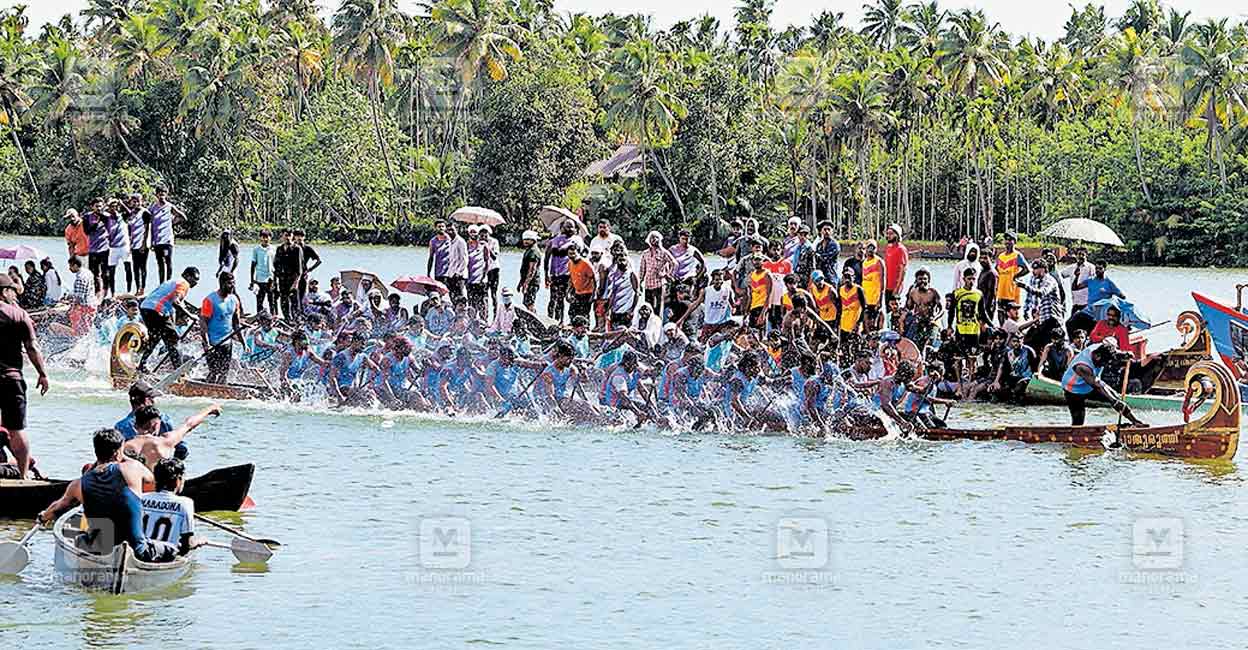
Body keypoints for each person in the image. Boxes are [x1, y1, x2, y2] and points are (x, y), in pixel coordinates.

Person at [38, 428, 180, 563]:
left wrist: (43, 517)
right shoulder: (133, 468)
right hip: (137, 550)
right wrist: (125, 458)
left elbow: (58, 507)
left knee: (80, 538)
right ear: (118, 452)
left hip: (98, 549)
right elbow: (152, 481)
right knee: (174, 549)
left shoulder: (78, 485)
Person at [0, 274, 49, 479]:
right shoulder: (19, 314)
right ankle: (22, 476)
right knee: (16, 430)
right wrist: (43, 374)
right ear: (4, 291)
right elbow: (32, 347)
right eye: (11, 289)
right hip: (11, 379)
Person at [1061, 340, 1145, 427]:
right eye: (1103, 363)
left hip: (1093, 381)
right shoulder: (1082, 367)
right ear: (1097, 356)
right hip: (1073, 389)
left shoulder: (1102, 348)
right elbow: (1097, 386)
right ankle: (1076, 434)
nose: (1104, 366)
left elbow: (1114, 352)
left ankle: (1136, 422)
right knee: (1078, 421)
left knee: (1116, 397)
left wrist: (1125, 354)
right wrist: (1113, 401)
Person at [137, 266, 200, 372]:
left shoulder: (172, 282)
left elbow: (173, 308)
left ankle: (142, 365)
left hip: (145, 308)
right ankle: (179, 371)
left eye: (197, 280)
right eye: (194, 279)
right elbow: (176, 302)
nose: (195, 283)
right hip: (156, 310)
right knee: (173, 339)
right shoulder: (184, 283)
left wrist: (173, 325)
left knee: (155, 337)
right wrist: (190, 316)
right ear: (186, 276)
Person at [139, 458, 204, 554]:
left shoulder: (140, 498)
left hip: (141, 550)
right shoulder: (186, 503)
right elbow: (187, 545)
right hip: (165, 554)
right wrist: (199, 541)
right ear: (178, 480)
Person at [126, 403, 221, 468]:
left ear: (135, 425)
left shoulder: (126, 446)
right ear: (156, 425)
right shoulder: (166, 441)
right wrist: (209, 409)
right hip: (158, 489)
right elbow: (190, 424)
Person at [200, 271, 243, 384]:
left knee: (224, 373)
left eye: (233, 283)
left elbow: (236, 324)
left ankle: (221, 394)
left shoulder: (234, 300)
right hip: (212, 342)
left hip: (226, 343)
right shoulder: (209, 300)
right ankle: (206, 391)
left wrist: (243, 342)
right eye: (230, 283)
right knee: (214, 372)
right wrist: (206, 343)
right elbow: (203, 323)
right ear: (222, 283)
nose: (232, 286)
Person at [148, 186, 186, 284]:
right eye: (160, 193)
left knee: (168, 261)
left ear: (166, 194)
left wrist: (171, 223)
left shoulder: (169, 206)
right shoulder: (152, 207)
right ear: (156, 194)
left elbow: (182, 217)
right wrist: (151, 241)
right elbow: (149, 224)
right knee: (160, 263)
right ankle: (161, 284)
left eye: (164, 193)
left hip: (167, 239)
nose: (162, 195)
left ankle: (168, 282)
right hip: (157, 240)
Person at [637, 231, 676, 318]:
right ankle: (649, 325)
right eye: (652, 238)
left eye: (656, 237)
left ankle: (657, 325)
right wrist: (640, 282)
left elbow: (674, 263)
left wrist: (667, 274)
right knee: (648, 307)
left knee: (658, 307)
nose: (654, 240)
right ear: (649, 240)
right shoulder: (645, 253)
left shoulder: (664, 252)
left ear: (660, 239)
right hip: (648, 284)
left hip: (659, 284)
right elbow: (642, 269)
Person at [903, 267, 943, 350]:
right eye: (920, 279)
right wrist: (908, 295)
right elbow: (908, 307)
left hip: (930, 322)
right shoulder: (913, 292)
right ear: (916, 280)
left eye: (925, 279)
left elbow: (942, 309)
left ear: (928, 280)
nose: (923, 281)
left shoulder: (933, 292)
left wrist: (935, 318)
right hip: (918, 321)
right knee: (913, 344)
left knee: (929, 346)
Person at [994, 232, 1029, 323]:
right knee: (1001, 317)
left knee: (1013, 319)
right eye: (1006, 240)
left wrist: (1015, 276)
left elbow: (1027, 269)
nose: (1007, 242)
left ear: (1014, 242)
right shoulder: (1001, 256)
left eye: (1010, 240)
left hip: (1012, 293)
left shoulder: (1017, 256)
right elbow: (995, 271)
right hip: (1001, 292)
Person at [272, 229, 303, 322]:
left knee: (294, 301)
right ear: (282, 236)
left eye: (289, 235)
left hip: (293, 278)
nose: (287, 237)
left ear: (292, 236)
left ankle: (296, 319)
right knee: (283, 300)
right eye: (285, 235)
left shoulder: (297, 249)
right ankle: (287, 319)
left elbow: (299, 269)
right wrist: (275, 281)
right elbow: (276, 266)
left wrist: (296, 283)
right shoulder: (279, 249)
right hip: (282, 279)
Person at [103, 198, 131, 297]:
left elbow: (129, 212)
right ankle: (113, 293)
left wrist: (121, 203)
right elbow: (100, 212)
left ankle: (129, 291)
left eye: (116, 206)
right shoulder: (107, 218)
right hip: (113, 248)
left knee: (128, 269)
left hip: (124, 247)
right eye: (112, 207)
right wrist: (108, 204)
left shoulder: (123, 216)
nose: (114, 208)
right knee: (111, 272)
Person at [82, 199, 110, 293]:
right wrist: (97, 222)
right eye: (97, 206)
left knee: (105, 272)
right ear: (92, 206)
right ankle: (96, 291)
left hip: (104, 248)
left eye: (100, 206)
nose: (99, 208)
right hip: (92, 249)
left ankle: (106, 291)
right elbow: (87, 231)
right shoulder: (87, 217)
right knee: (93, 273)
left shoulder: (106, 217)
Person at [125, 193, 151, 294]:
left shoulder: (145, 213)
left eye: (137, 201)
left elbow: (147, 229)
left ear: (141, 202)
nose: (136, 203)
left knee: (142, 267)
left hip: (142, 245)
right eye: (134, 201)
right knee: (135, 268)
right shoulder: (132, 214)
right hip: (134, 245)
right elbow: (130, 230)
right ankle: (137, 288)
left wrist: (144, 244)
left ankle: (142, 288)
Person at [65, 256, 98, 335]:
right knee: (87, 329)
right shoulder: (88, 272)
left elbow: (79, 298)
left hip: (84, 307)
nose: (69, 269)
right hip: (92, 304)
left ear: (76, 265)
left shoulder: (80, 278)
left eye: (70, 266)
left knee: (79, 332)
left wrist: (71, 306)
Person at [465, 225, 492, 317]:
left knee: (483, 303)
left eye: (475, 232)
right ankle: (472, 322)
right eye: (471, 232)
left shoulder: (484, 246)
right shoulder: (466, 246)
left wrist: (484, 276)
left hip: (481, 280)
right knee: (471, 303)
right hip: (470, 279)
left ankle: (484, 322)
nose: (474, 234)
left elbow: (487, 262)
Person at [567, 245, 597, 322]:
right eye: (570, 254)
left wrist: (593, 295)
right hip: (577, 292)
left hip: (587, 293)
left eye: (574, 254)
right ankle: (574, 330)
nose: (572, 256)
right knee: (572, 312)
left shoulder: (586, 264)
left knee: (584, 314)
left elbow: (594, 279)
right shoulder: (570, 263)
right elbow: (571, 278)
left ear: (579, 253)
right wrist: (568, 292)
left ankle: (585, 330)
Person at [295, 230, 322, 312]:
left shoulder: (307, 248)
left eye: (301, 236)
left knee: (301, 295)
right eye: (297, 236)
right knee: (292, 296)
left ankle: (301, 313)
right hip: (292, 275)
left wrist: (309, 269)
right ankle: (293, 315)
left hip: (303, 274)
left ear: (304, 237)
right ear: (294, 237)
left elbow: (319, 261)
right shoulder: (292, 248)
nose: (299, 238)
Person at [860, 241, 884, 332]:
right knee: (866, 320)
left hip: (875, 297)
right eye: (868, 247)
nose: (870, 250)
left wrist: (880, 299)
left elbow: (882, 281)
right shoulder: (864, 262)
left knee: (875, 322)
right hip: (866, 297)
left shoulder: (879, 261)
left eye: (873, 247)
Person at [883, 223, 909, 306]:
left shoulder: (901, 249)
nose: (888, 236)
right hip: (887, 287)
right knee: (887, 312)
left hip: (895, 288)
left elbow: (903, 270)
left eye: (891, 234)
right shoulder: (888, 248)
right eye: (887, 233)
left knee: (895, 312)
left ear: (897, 235)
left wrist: (897, 289)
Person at [250, 229, 274, 313]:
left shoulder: (273, 249)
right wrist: (252, 281)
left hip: (271, 278)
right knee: (259, 301)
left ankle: (273, 318)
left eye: (267, 237)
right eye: (263, 237)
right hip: (259, 279)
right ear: (260, 238)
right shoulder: (256, 249)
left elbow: (276, 265)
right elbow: (253, 265)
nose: (265, 239)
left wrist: (276, 279)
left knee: (272, 301)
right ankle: (259, 318)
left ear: (270, 238)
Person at [517, 230, 542, 312]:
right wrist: (521, 282)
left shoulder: (534, 252)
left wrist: (526, 284)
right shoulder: (529, 250)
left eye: (528, 239)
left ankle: (533, 321)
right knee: (526, 303)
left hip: (532, 282)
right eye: (525, 239)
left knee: (530, 303)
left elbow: (532, 270)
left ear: (533, 240)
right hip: (528, 281)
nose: (526, 241)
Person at [481, 225, 501, 318]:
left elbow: (494, 256)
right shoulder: (478, 242)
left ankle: (496, 315)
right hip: (483, 270)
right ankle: (485, 315)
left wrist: (487, 246)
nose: (483, 236)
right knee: (484, 293)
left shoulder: (494, 242)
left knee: (493, 293)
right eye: (482, 234)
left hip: (493, 269)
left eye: (485, 234)